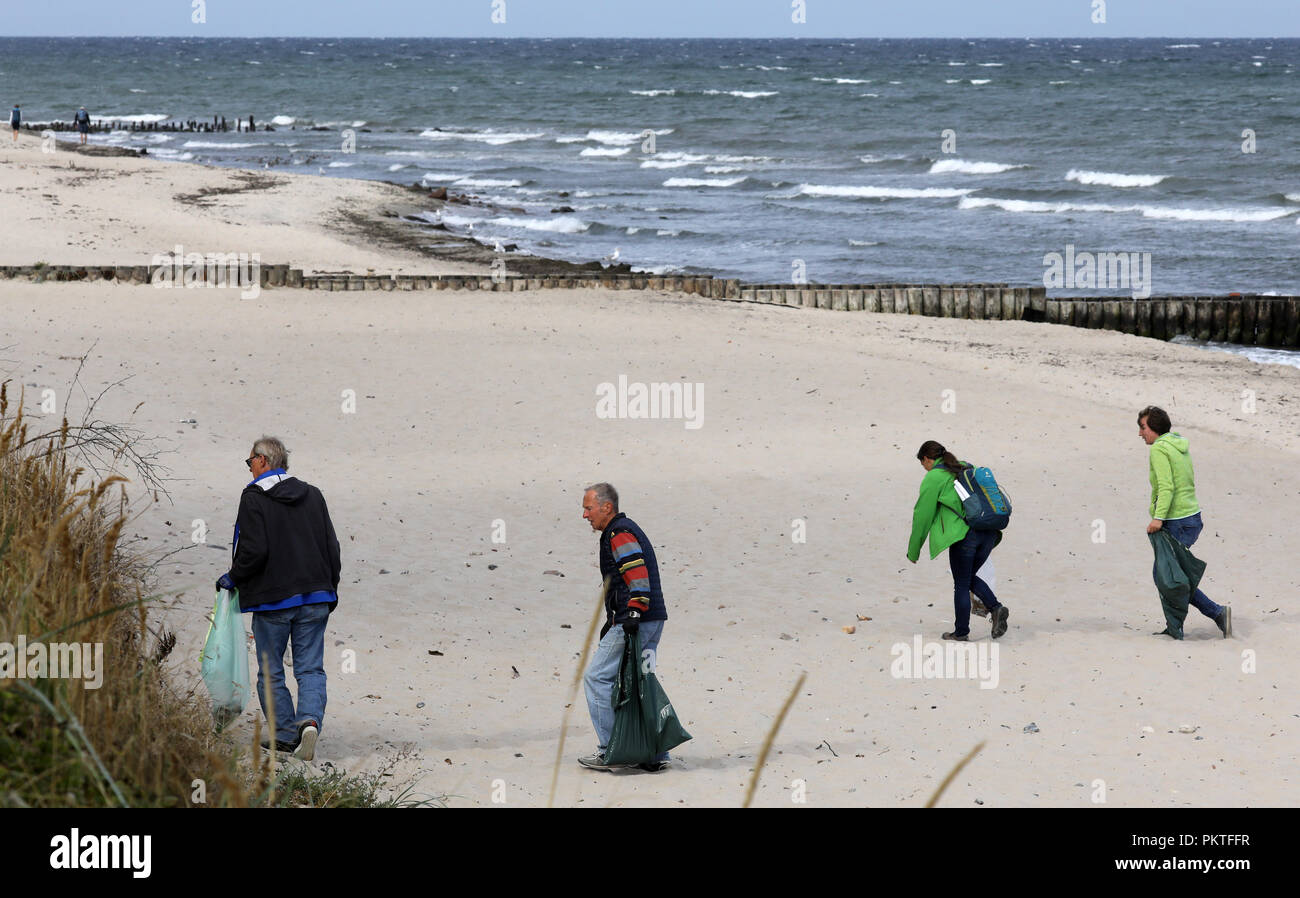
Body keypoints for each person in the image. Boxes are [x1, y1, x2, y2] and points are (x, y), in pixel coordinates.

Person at [216, 436, 341, 760]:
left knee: (270, 670)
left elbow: (254, 550)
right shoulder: (313, 494)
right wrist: (331, 590)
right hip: (316, 595)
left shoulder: (254, 497)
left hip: (274, 600)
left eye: (250, 462)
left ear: (263, 461)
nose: (249, 469)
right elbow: (331, 546)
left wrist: (234, 579)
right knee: (310, 668)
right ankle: (309, 722)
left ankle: (286, 735)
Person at [579, 483, 670, 772]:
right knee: (639, 683)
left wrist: (632, 610)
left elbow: (636, 570)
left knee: (596, 679)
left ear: (607, 507)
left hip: (637, 620)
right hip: (653, 619)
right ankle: (653, 754)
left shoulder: (618, 533)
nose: (584, 515)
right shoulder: (626, 529)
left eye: (588, 508)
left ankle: (612, 750)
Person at [1138, 406, 1230, 638]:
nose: (1141, 434)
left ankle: (1217, 613)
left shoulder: (1159, 449)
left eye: (1143, 428)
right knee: (1172, 576)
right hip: (1192, 518)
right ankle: (1175, 627)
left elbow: (1167, 486)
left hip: (1176, 521)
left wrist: (1158, 518)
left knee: (1168, 577)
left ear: (1155, 428)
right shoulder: (1178, 444)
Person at [907, 440, 1009, 641]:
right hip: (988, 531)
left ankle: (962, 631)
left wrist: (914, 549)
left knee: (962, 583)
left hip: (965, 536)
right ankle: (996, 609)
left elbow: (922, 515)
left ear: (927, 459)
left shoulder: (934, 477)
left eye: (923, 464)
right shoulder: (965, 466)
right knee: (968, 577)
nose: (924, 469)